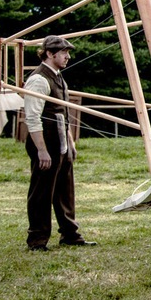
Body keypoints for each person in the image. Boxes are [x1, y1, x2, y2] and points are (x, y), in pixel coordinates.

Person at [24, 35, 94, 250]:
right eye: (64, 53)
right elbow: (33, 118)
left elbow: (63, 114)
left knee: (65, 191)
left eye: (67, 52)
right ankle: (37, 240)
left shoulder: (58, 77)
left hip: (62, 141)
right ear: (49, 53)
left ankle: (70, 235)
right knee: (42, 192)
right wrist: (42, 151)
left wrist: (71, 143)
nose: (68, 56)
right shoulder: (38, 79)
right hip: (46, 142)